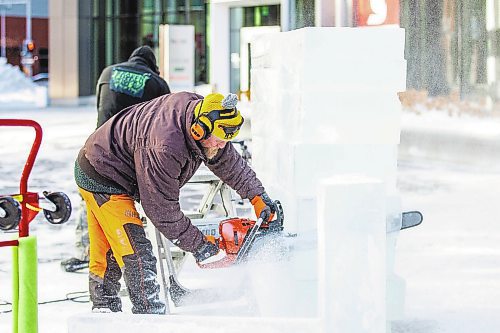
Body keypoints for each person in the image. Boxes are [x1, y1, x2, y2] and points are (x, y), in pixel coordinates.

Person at [74, 92, 276, 314]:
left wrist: (258, 197)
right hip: (102, 174)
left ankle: (103, 309)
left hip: (111, 162)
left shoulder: (208, 115)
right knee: (135, 251)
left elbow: (228, 161)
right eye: (218, 139)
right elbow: (161, 211)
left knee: (110, 245)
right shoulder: (165, 145)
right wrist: (200, 246)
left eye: (225, 139)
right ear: (198, 129)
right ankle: (150, 317)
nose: (221, 145)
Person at [61, 45, 170, 273]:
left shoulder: (108, 72)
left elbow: (101, 107)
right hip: (131, 152)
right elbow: (163, 123)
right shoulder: (156, 83)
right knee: (127, 201)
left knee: (91, 200)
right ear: (153, 66)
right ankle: (130, 251)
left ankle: (87, 251)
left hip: (97, 148)